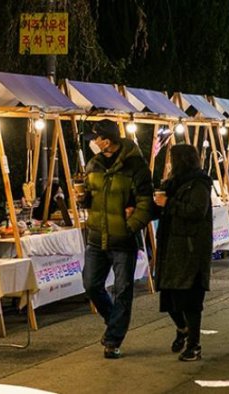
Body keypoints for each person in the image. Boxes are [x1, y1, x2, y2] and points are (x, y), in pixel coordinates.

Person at [79, 119, 153, 359]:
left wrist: (129, 226)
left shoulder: (136, 166)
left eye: (96, 138)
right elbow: (89, 194)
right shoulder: (94, 164)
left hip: (123, 241)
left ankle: (113, 340)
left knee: (122, 289)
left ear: (106, 141)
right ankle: (115, 322)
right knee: (91, 284)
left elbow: (145, 203)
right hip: (96, 237)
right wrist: (83, 197)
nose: (93, 142)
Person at [153, 144, 212, 362]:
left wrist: (169, 203)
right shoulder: (172, 183)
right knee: (168, 295)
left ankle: (194, 345)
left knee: (190, 300)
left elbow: (197, 211)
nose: (169, 164)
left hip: (191, 249)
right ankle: (182, 328)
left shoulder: (199, 183)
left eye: (172, 159)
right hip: (170, 247)